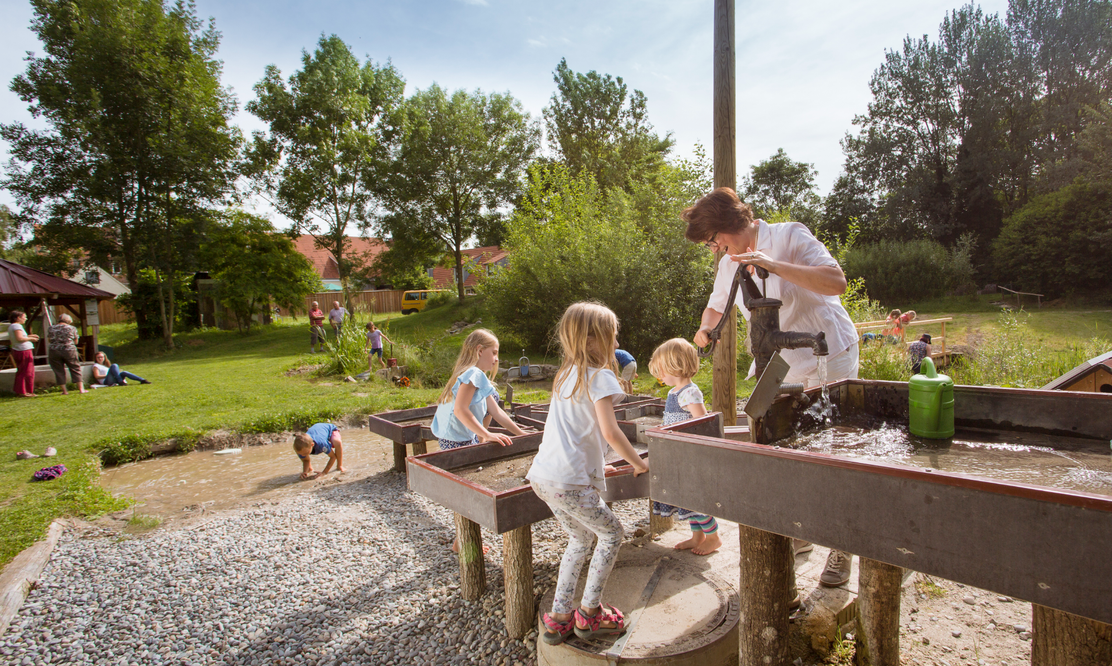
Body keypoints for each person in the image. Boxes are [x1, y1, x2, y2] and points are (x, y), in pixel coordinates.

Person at [685, 187, 858, 588]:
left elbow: (836, 282)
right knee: (788, 446)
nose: (714, 248)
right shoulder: (729, 262)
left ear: (728, 224)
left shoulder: (790, 236)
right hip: (782, 363)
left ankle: (842, 548)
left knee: (834, 449)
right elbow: (717, 303)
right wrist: (705, 328)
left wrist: (773, 265)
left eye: (713, 239)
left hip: (827, 352)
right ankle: (801, 531)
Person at [527, 302, 649, 645]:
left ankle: (560, 617)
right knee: (611, 535)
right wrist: (639, 464)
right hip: (568, 481)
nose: (615, 341)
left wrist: (597, 465)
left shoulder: (565, 374)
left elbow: (574, 431)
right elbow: (610, 431)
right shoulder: (600, 376)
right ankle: (590, 614)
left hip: (543, 477)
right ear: (593, 339)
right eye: (613, 334)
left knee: (580, 539)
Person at [431, 328, 529, 553]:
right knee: (470, 490)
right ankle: (464, 542)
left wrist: (522, 435)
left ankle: (461, 539)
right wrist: (486, 435)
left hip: (456, 436)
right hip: (455, 439)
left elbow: (498, 413)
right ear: (479, 350)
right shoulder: (473, 374)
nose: (496, 359)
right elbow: (460, 410)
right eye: (494, 353)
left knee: (468, 489)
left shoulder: (474, 375)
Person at [648, 338, 721, 555]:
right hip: (677, 453)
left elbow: (702, 422)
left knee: (694, 499)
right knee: (684, 498)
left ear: (676, 366)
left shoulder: (690, 392)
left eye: (662, 372)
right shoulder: (674, 392)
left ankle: (713, 537)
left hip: (690, 454)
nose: (660, 377)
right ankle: (696, 537)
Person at [47, 313, 86, 395]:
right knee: (75, 368)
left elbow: (49, 340)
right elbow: (76, 341)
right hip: (69, 350)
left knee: (58, 370)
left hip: (54, 350)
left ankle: (64, 391)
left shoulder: (51, 328)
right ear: (68, 321)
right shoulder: (72, 328)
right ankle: (81, 389)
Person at [8, 310, 39, 397]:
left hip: (18, 349)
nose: (25, 319)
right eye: (24, 317)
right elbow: (19, 339)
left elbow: (20, 337)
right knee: (26, 371)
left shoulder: (13, 326)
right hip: (23, 350)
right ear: (18, 318)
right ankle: (24, 391)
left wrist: (30, 336)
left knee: (22, 370)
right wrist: (31, 339)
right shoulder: (17, 326)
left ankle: (22, 390)